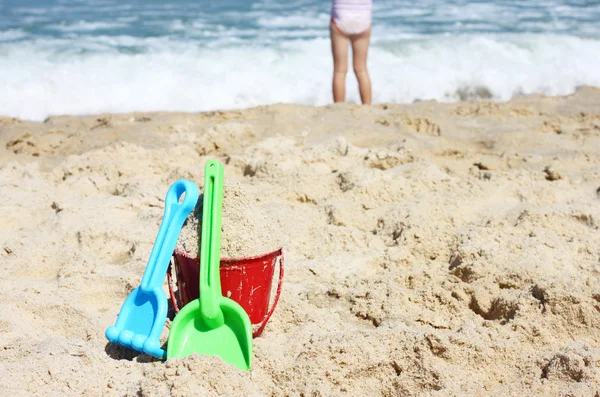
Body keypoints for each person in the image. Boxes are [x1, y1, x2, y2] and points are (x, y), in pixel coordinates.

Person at [330, 0, 373, 105]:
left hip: (341, 15)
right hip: (363, 18)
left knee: (339, 70)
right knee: (361, 69)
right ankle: (367, 106)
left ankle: (339, 107)